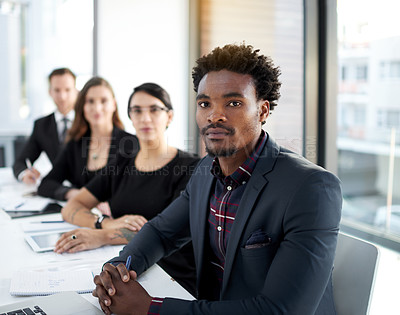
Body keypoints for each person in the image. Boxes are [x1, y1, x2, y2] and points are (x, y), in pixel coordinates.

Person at [92, 44, 343, 315]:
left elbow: (280, 310)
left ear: (263, 111)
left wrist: (151, 309)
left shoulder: (311, 188)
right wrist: (118, 269)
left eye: (233, 103)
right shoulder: (205, 170)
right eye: (205, 103)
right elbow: (161, 232)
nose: (214, 116)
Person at [54, 83, 199, 295]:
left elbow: (166, 233)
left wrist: (101, 236)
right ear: (130, 117)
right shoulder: (123, 161)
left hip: (170, 275)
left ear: (169, 116)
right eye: (137, 110)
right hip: (123, 265)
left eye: (154, 109)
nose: (145, 118)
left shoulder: (190, 167)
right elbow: (72, 206)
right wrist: (104, 223)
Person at [37, 77, 139, 201]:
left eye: (103, 101)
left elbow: (137, 191)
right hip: (82, 216)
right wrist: (75, 194)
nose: (97, 108)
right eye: (90, 101)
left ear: (113, 104)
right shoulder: (75, 145)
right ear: (83, 107)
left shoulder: (131, 144)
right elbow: (46, 184)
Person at [12, 68, 78, 184]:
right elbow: (21, 162)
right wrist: (25, 174)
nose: (62, 96)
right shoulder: (41, 126)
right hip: (56, 187)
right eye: (57, 90)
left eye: (67, 90)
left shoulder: (88, 122)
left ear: (76, 91)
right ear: (50, 92)